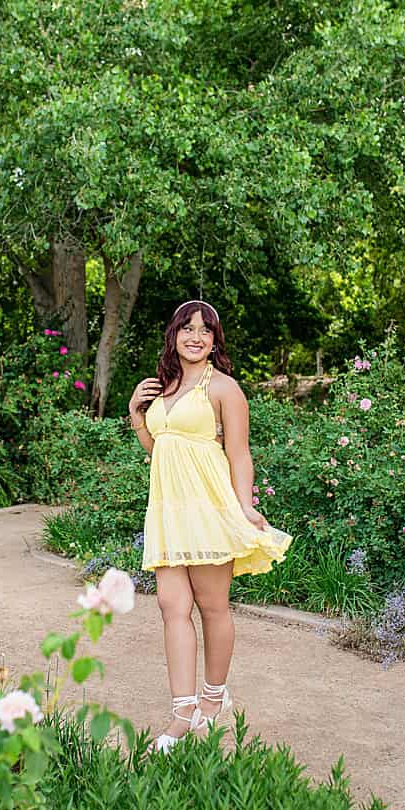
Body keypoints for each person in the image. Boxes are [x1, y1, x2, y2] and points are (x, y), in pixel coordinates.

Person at [128, 299, 292, 753]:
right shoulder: (164, 387)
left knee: (212, 606)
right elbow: (160, 449)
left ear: (215, 339)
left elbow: (239, 453)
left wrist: (244, 506)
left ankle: (214, 699)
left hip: (208, 509)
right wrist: (138, 418)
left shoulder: (224, 389)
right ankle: (183, 712)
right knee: (169, 605)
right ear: (173, 335)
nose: (195, 336)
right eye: (186, 328)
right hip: (168, 512)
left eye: (205, 330)